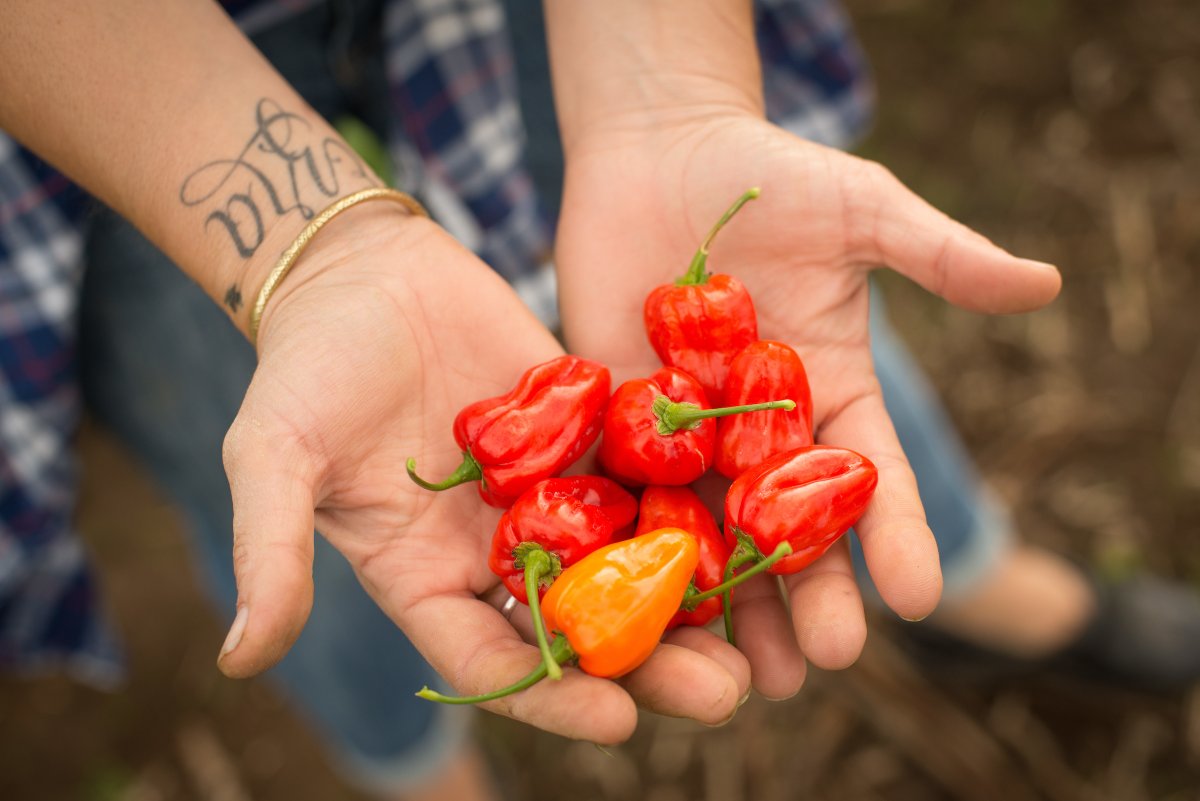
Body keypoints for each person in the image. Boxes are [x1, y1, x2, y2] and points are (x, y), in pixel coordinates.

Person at [3, 0, 1194, 799]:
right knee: (321, 490)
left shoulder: (704, 395)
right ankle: (415, 763)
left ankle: (976, 583)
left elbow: (745, 436)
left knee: (816, 368)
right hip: (119, 105)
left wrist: (671, 99)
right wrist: (307, 260)